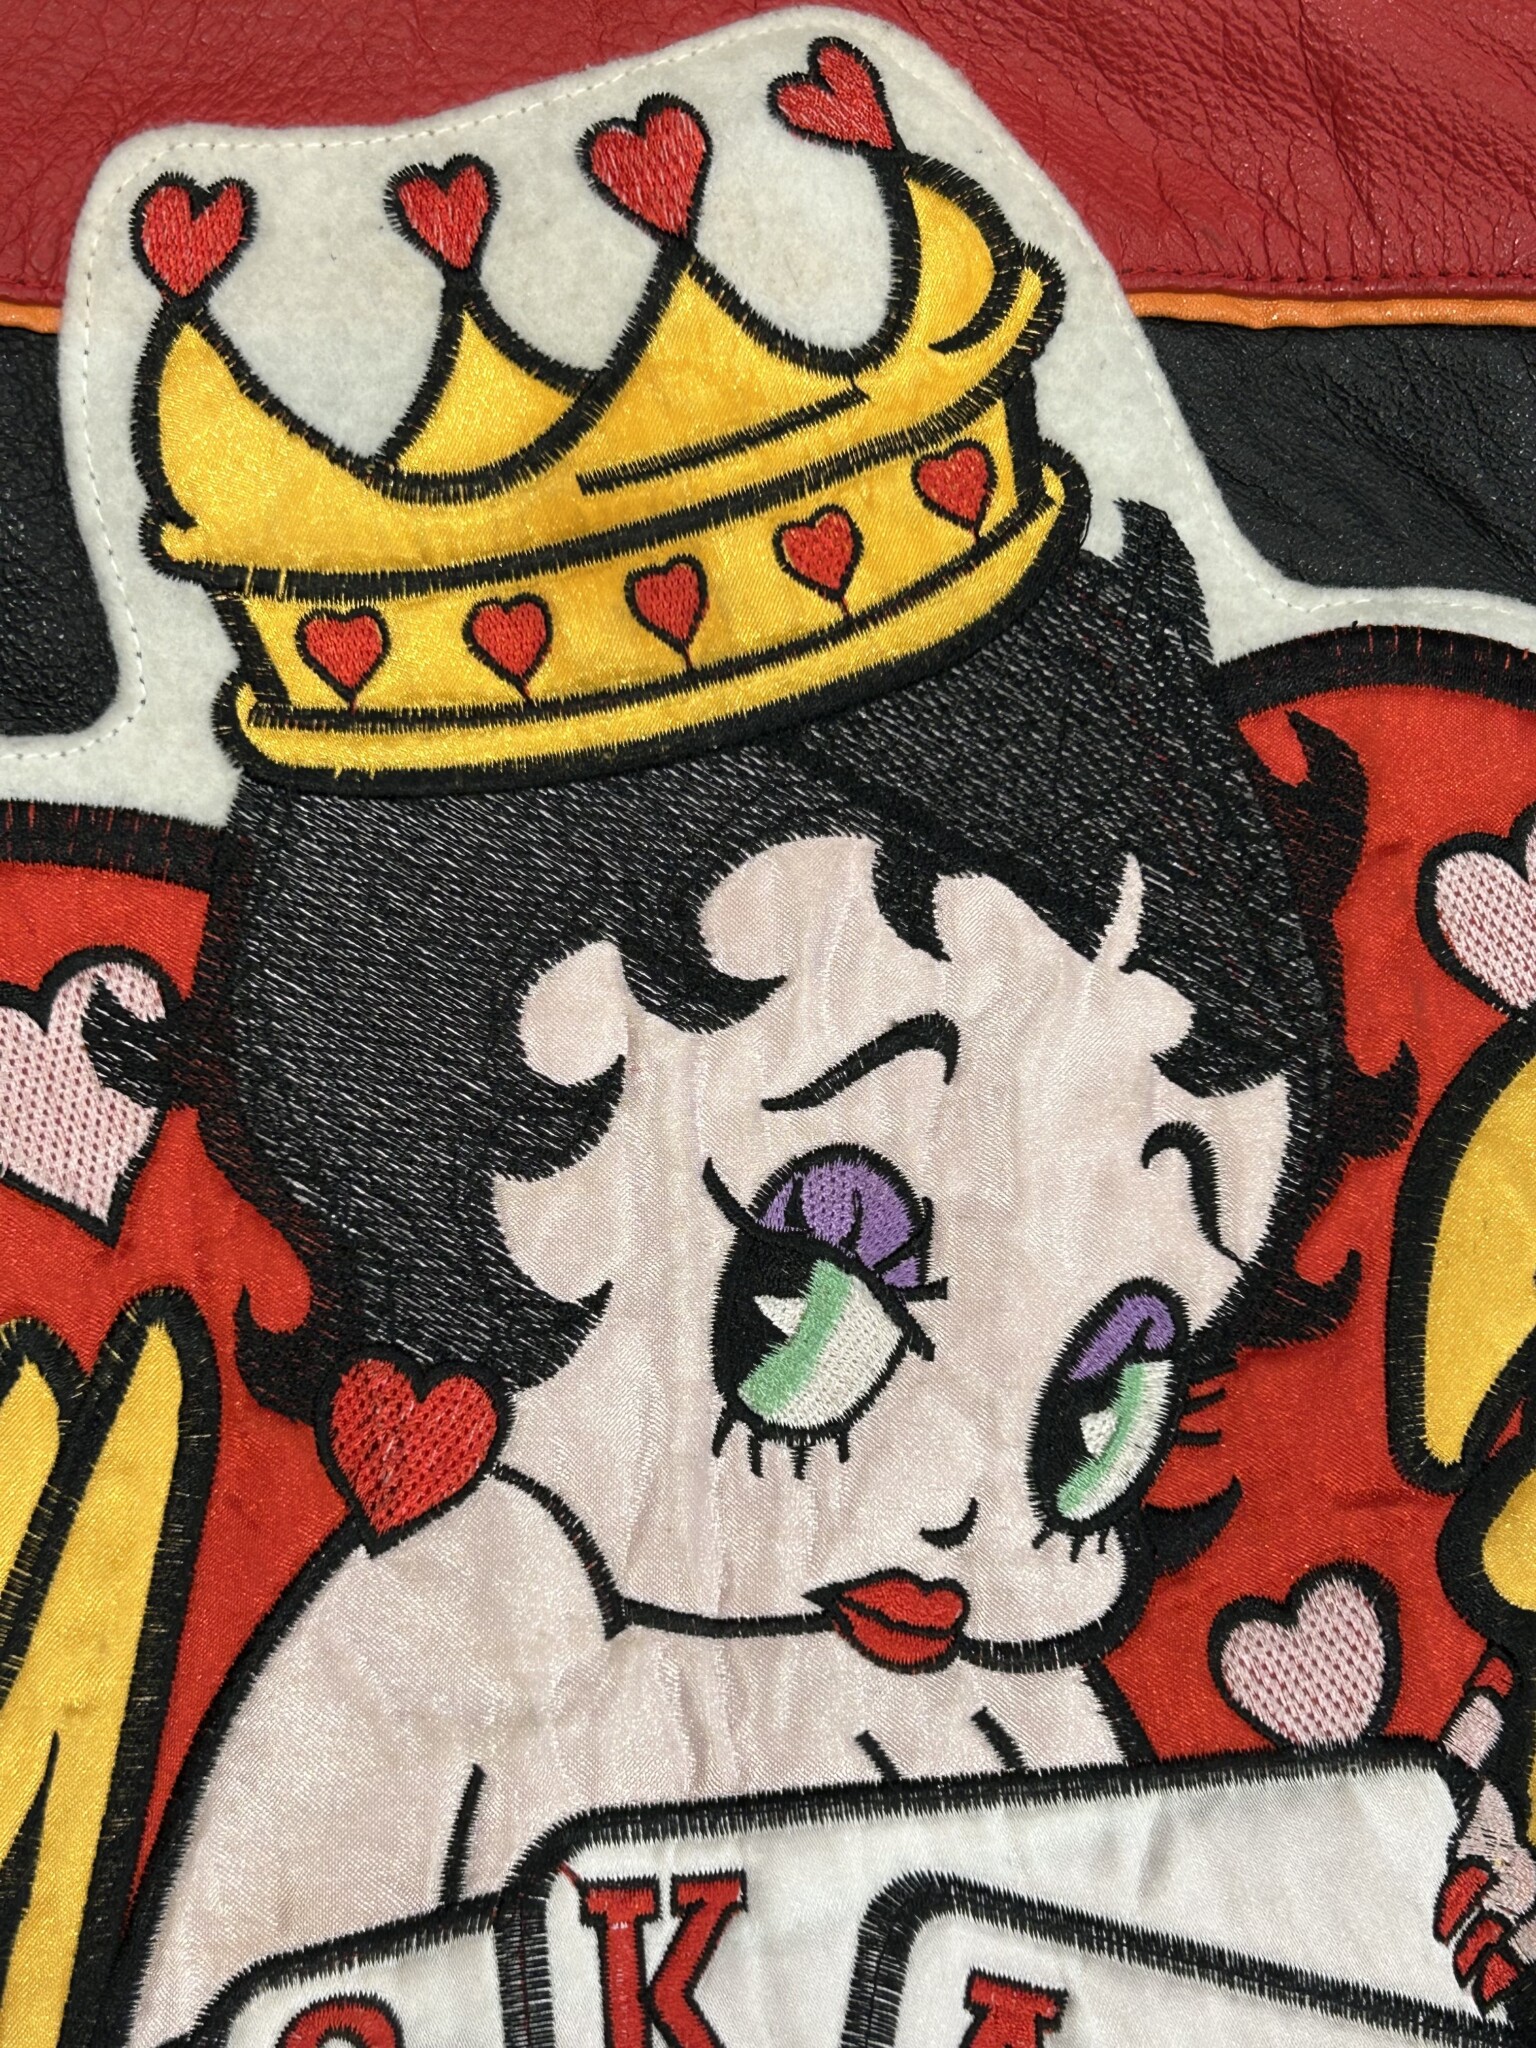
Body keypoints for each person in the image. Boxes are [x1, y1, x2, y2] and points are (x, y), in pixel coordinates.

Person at [124, 503, 1412, 2043]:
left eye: (1104, 1396)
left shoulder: (1005, 1700)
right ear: (535, 1112)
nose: (969, 1506)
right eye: (819, 1301)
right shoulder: (436, 1642)